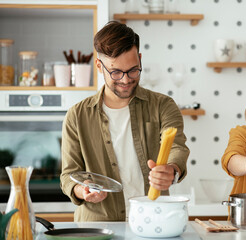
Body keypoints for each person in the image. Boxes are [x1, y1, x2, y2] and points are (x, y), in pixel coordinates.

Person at [60, 21, 189, 222]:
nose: (126, 79)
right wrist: (82, 189)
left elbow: (178, 148)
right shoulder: (76, 116)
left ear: (139, 59)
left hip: (154, 221)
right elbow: (69, 174)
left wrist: (171, 170)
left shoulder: (163, 105)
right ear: (99, 66)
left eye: (133, 70)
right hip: (97, 227)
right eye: (116, 72)